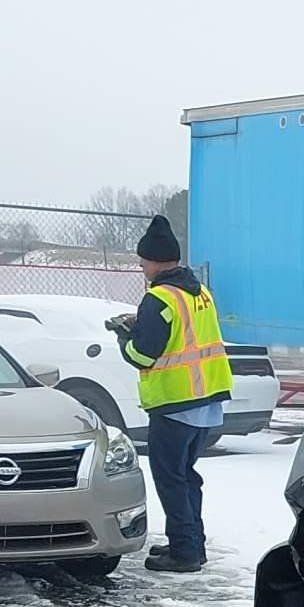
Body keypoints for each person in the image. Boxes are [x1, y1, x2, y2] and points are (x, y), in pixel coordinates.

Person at [110, 215, 231, 572]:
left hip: (174, 403)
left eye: (143, 261)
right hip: (205, 401)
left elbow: (141, 355)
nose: (142, 267)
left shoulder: (159, 298)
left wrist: (123, 336)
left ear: (153, 260)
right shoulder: (198, 292)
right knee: (186, 476)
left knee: (171, 478)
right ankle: (192, 544)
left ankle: (185, 552)